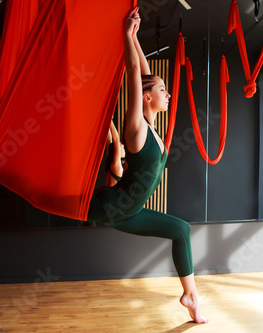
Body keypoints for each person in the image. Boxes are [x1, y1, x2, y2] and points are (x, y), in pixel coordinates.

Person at [87, 7, 208, 324]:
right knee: (45, 194)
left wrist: (137, 37)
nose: (168, 95)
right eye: (163, 91)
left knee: (181, 230)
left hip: (127, 213)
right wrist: (126, 36)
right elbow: (133, 74)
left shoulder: (151, 126)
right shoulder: (136, 128)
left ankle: (190, 297)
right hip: (112, 206)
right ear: (146, 97)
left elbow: (142, 72)